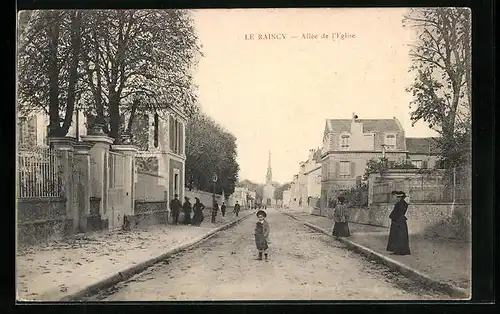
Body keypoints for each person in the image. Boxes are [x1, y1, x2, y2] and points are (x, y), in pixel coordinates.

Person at [386, 191, 411, 255]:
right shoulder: (405, 204)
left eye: (398, 197)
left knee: (397, 236)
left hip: (397, 221)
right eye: (397, 197)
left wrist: (391, 217)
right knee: (402, 236)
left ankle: (397, 251)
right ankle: (403, 250)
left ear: (401, 198)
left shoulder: (399, 204)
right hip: (402, 221)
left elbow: (396, 212)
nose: (397, 198)